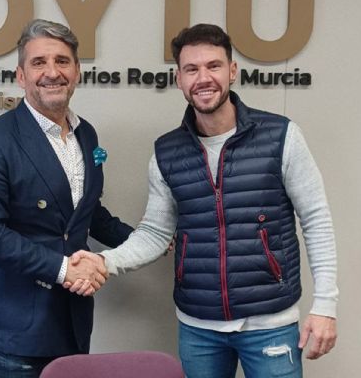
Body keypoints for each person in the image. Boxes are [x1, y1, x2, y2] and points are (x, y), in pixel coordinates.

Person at [69, 24, 338, 377]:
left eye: (213, 66)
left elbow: (316, 220)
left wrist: (325, 305)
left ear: (232, 71)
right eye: (192, 69)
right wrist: (104, 261)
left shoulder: (281, 136)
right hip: (199, 329)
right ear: (179, 79)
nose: (203, 78)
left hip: (270, 323)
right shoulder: (167, 152)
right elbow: (155, 233)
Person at [0, 19, 133, 378]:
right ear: (21, 76)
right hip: (16, 330)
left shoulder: (86, 134)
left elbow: (85, 212)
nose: (52, 72)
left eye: (62, 61)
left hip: (72, 321)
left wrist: (146, 239)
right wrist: (66, 269)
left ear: (77, 71)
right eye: (39, 62)